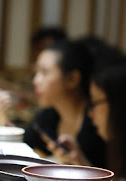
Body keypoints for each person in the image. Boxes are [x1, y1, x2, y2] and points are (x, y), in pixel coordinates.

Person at [19, 39, 107, 168]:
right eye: (36, 72)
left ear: (72, 79)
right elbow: (23, 146)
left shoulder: (97, 122)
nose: (35, 81)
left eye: (44, 73)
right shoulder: (49, 115)